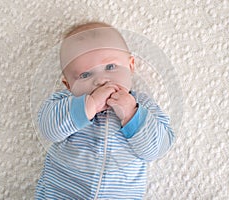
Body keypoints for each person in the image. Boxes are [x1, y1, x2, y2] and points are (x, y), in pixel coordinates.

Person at [35, 22, 175, 199]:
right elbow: (49, 130)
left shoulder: (142, 105)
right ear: (68, 84)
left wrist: (132, 114)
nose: (101, 80)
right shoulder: (64, 102)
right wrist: (89, 105)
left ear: (131, 66)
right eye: (85, 75)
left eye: (110, 67)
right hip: (62, 193)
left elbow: (158, 149)